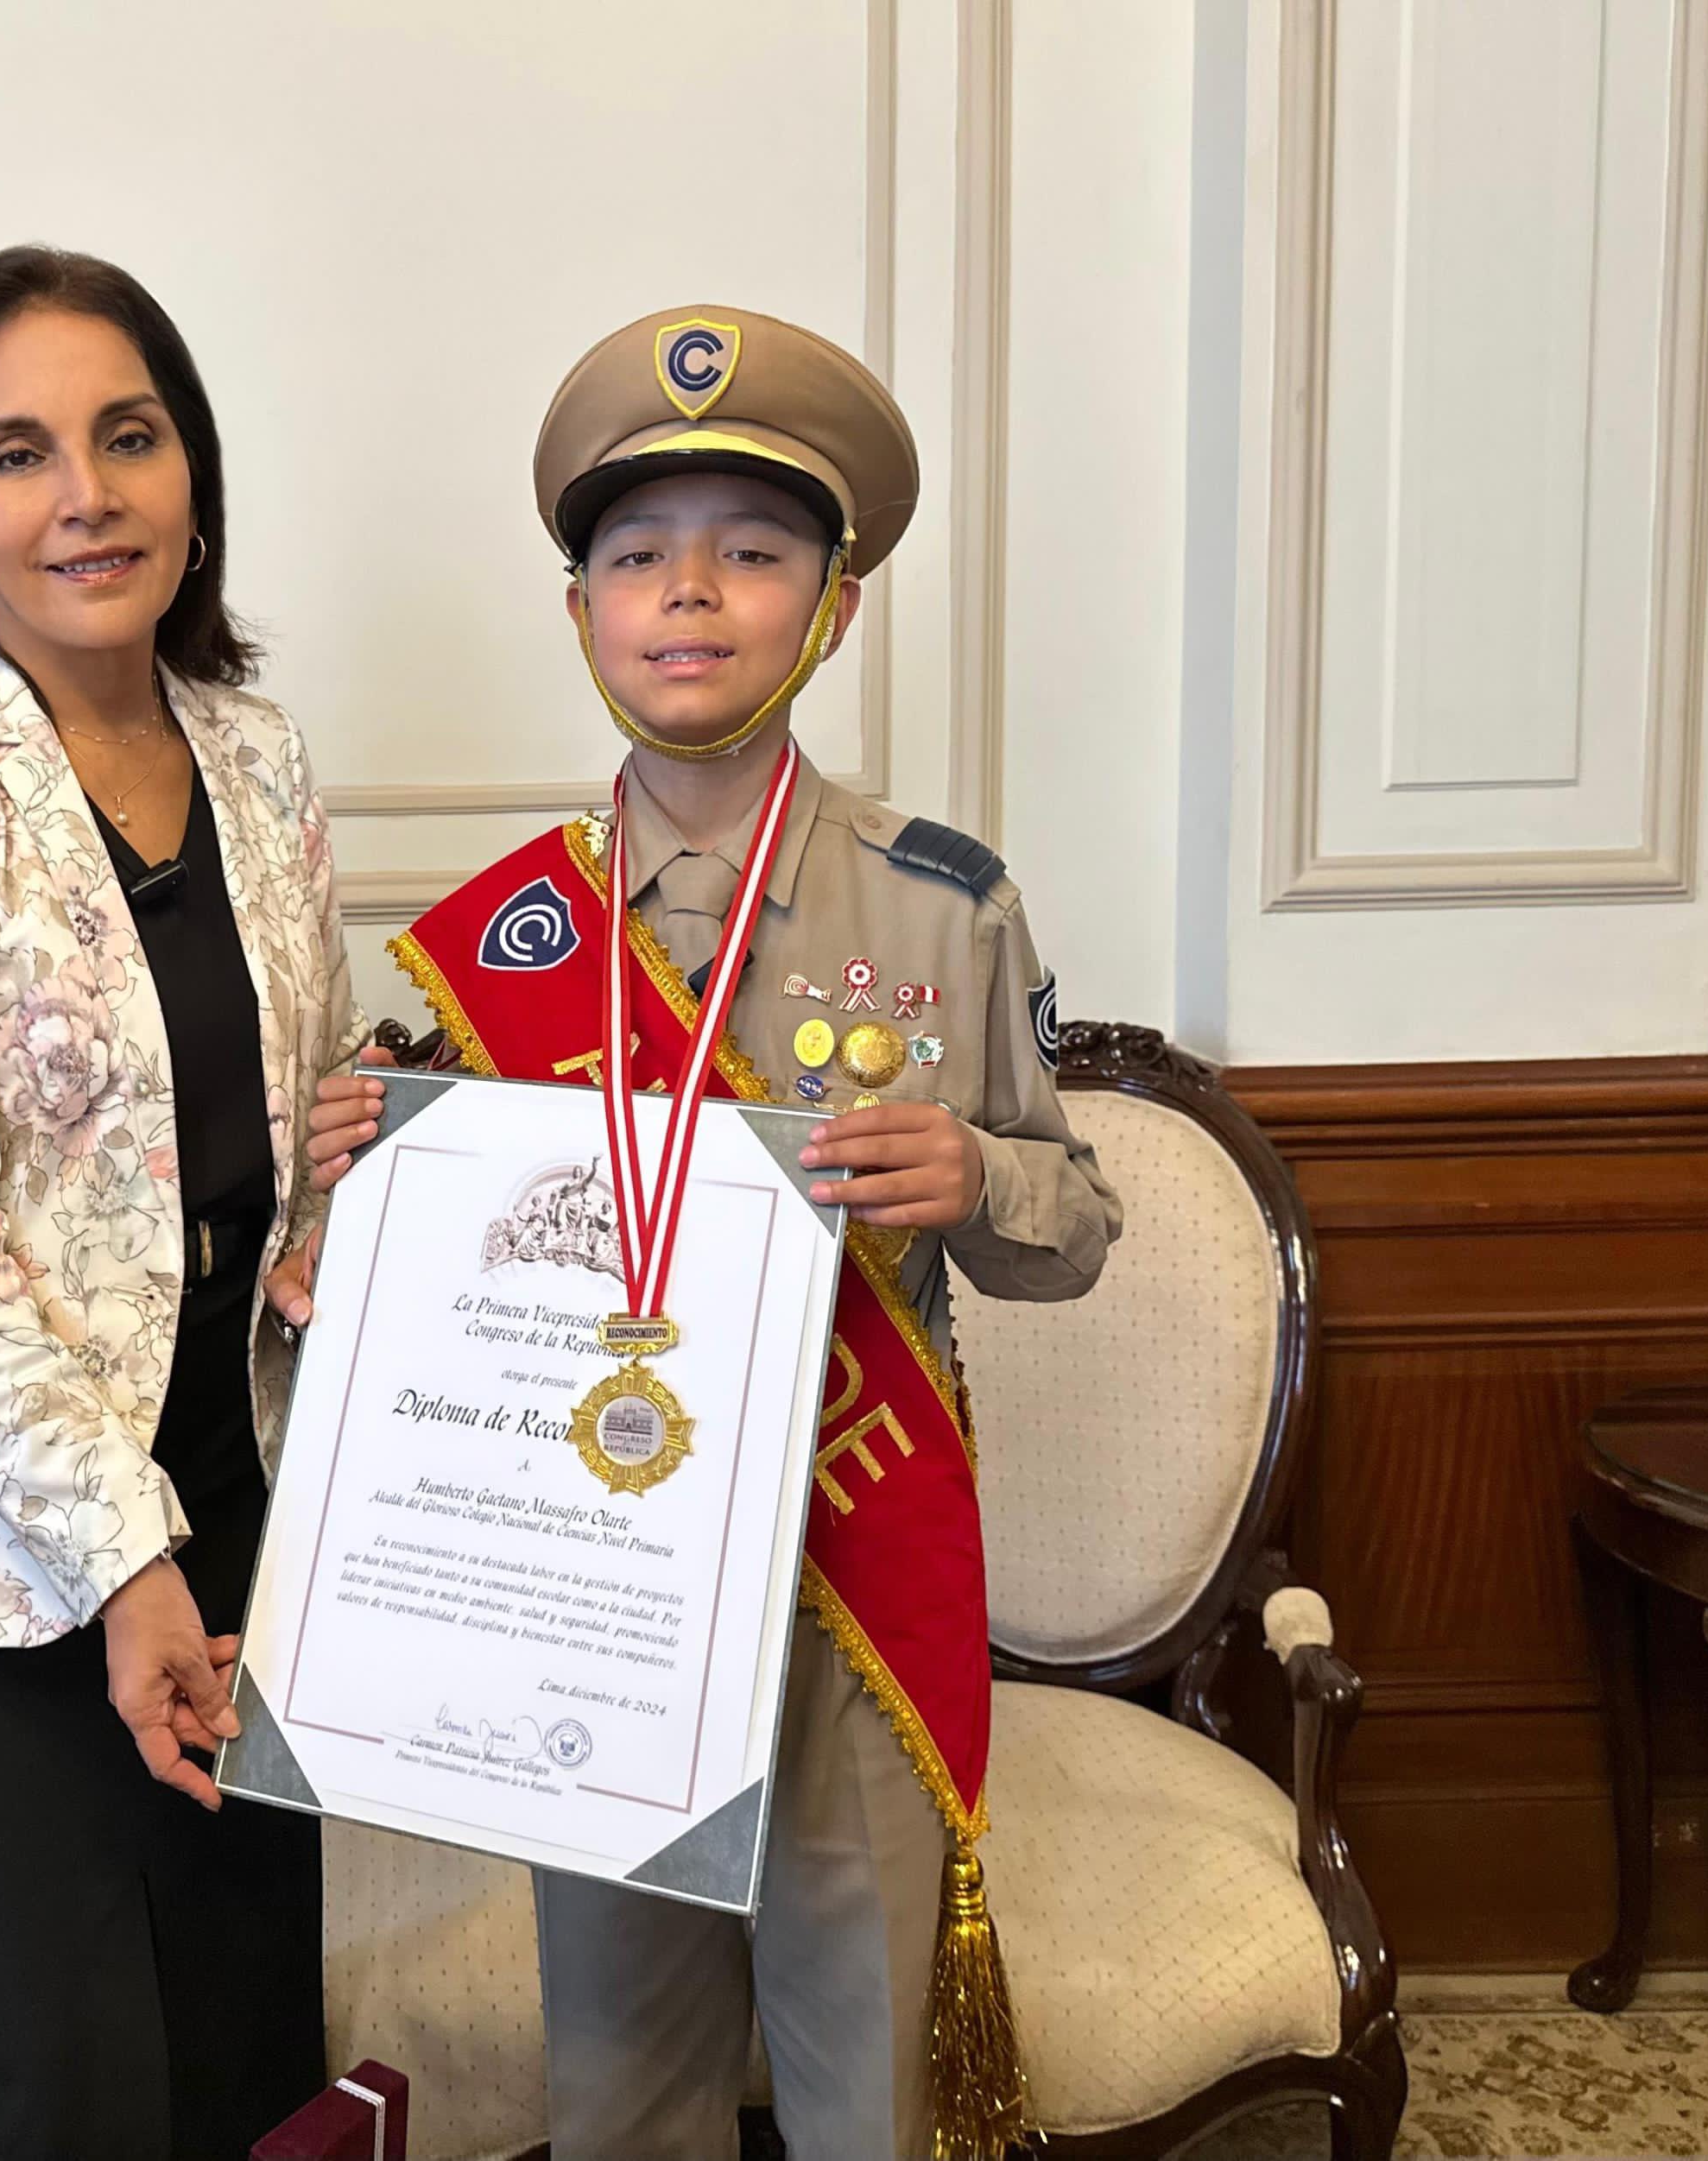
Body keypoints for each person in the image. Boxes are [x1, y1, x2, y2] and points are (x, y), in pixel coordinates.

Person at [309, 307, 1122, 2160]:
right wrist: (358, 1192)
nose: (687, 593)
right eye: (635, 557)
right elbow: (429, 1322)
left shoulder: (945, 906)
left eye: (750, 552)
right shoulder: (496, 943)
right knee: (620, 2076)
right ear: (579, 611)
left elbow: (1071, 1226)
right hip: (598, 1584)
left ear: (832, 607)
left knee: (866, 2074)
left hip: (852, 1575)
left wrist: (978, 1177)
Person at [0, 244, 366, 2161]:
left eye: (128, 436)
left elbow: (281, 1111)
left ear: (192, 476)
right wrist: (125, 1566)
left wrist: (340, 1193)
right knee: (35, 2094)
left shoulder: (258, 758)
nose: (85, 495)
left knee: (240, 2057)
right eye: (16, 453)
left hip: (236, 1495)